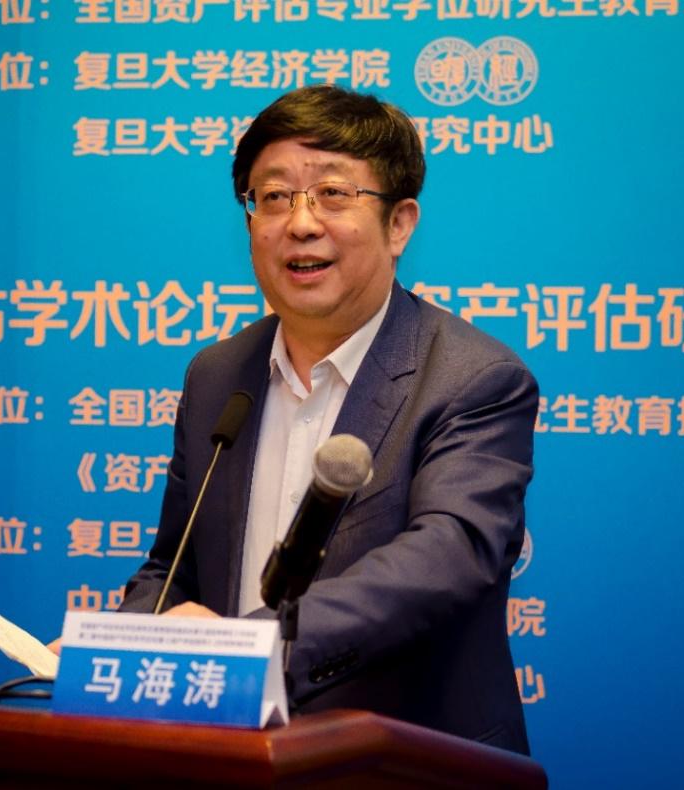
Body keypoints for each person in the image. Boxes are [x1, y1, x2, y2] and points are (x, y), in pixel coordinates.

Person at [117, 85, 538, 755]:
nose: (300, 223)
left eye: (333, 194)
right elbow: (174, 565)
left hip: (406, 762)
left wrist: (256, 647)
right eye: (273, 197)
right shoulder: (217, 376)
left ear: (399, 224)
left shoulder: (472, 379)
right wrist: (130, 641)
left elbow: (449, 557)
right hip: (229, 756)